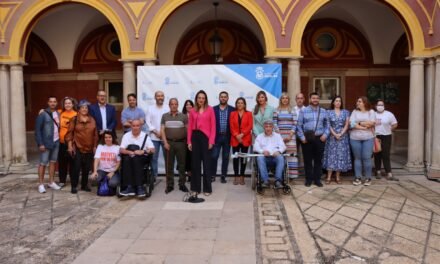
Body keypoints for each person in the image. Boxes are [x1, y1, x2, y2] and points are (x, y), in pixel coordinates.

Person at [187, 90, 216, 202]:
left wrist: (211, 141)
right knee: (195, 164)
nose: (201, 99)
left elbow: (213, 126)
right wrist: (189, 142)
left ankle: (207, 188)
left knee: (207, 164)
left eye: (203, 98)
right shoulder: (193, 111)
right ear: (196, 99)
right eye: (199, 97)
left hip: (206, 138)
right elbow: (189, 127)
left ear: (205, 99)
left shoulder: (210, 109)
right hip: (195, 137)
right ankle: (196, 188)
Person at [65, 100, 99, 194]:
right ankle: (74, 186)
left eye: (86, 108)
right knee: (76, 168)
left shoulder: (92, 119)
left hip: (89, 147)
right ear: (79, 109)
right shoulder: (74, 119)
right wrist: (69, 146)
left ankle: (84, 185)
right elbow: (69, 134)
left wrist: (95, 146)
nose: (84, 109)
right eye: (82, 107)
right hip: (77, 147)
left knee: (86, 168)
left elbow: (95, 134)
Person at [297, 92, 329, 187]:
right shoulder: (304, 111)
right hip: (307, 139)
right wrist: (302, 138)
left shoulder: (323, 111)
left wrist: (325, 135)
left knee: (318, 160)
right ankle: (308, 179)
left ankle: (317, 179)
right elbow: (299, 126)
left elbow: (327, 125)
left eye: (317, 98)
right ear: (310, 99)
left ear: (319, 100)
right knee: (307, 160)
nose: (315, 100)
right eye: (313, 98)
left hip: (320, 138)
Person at [119, 119, 155, 197]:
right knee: (127, 160)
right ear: (131, 126)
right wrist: (130, 152)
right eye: (134, 126)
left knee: (136, 159)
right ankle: (129, 187)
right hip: (129, 158)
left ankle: (139, 186)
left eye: (137, 126)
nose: (135, 128)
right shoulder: (126, 136)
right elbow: (121, 149)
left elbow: (153, 149)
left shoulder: (145, 136)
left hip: (142, 158)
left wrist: (143, 151)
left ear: (141, 127)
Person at [161, 98, 189, 194]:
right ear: (169, 105)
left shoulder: (184, 116)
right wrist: (165, 143)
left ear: (178, 105)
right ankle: (170, 185)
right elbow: (162, 130)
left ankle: (182, 184)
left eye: (175, 104)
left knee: (182, 165)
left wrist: (188, 142)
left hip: (181, 143)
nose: (174, 105)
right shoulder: (164, 116)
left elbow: (188, 130)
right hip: (169, 143)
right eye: (172, 104)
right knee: (169, 165)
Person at [34, 96, 62, 193]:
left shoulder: (58, 113)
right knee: (43, 163)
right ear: (48, 103)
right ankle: (41, 184)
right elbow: (37, 130)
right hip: (45, 143)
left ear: (57, 103)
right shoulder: (43, 114)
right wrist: (40, 143)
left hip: (56, 141)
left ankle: (51, 182)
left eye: (54, 101)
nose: (53, 103)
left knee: (53, 162)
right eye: (51, 101)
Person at [322, 96, 351, 184]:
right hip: (331, 137)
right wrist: (335, 134)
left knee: (340, 156)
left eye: (339, 101)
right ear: (333, 103)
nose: (338, 102)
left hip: (343, 137)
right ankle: (329, 176)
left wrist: (341, 134)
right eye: (336, 101)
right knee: (331, 156)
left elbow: (347, 124)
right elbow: (328, 125)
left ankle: (338, 177)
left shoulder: (346, 112)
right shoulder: (328, 112)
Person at [349, 96, 376, 186]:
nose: (358, 103)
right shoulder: (354, 112)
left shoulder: (371, 112)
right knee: (357, 158)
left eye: (359, 101)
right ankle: (358, 177)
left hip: (368, 138)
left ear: (365, 102)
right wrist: (363, 125)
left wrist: (358, 123)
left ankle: (368, 178)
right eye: (357, 101)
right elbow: (351, 123)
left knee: (367, 158)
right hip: (355, 138)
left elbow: (372, 123)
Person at [254, 120, 286, 188]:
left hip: (275, 157)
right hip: (265, 158)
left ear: (272, 127)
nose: (268, 128)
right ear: (264, 128)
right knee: (259, 158)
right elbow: (255, 147)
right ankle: (265, 181)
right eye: (266, 126)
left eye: (270, 126)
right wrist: (262, 151)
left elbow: (283, 146)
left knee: (280, 158)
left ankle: (278, 181)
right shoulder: (260, 136)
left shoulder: (278, 136)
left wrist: (279, 151)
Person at [273, 92, 299, 179]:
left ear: (288, 100)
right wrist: (280, 137)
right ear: (281, 100)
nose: (285, 100)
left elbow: (295, 123)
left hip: (290, 137)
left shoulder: (292, 110)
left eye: (286, 98)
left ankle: (291, 176)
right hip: (279, 137)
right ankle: (281, 175)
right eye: (283, 98)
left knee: (291, 156)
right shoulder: (276, 110)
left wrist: (290, 135)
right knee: (281, 156)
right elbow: (274, 123)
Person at [145, 90, 170, 181]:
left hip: (165, 138)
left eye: (162, 96)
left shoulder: (168, 108)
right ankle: (154, 176)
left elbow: (169, 121)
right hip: (154, 137)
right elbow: (148, 121)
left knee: (168, 158)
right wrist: (156, 132)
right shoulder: (150, 108)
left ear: (164, 97)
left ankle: (169, 176)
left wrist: (162, 133)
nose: (160, 97)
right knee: (154, 158)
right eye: (158, 96)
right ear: (155, 97)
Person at [211, 91, 235, 183]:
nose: (223, 98)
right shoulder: (213, 109)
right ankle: (213, 175)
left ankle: (223, 175)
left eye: (225, 97)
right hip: (216, 136)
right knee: (214, 156)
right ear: (219, 98)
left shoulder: (233, 109)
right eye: (222, 97)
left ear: (228, 98)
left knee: (225, 157)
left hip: (228, 136)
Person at [230, 97, 253, 185]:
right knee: (235, 159)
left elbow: (250, 126)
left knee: (243, 159)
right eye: (238, 103)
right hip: (235, 139)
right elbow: (231, 126)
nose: (240, 104)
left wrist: (242, 135)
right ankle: (236, 176)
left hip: (245, 139)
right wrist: (237, 136)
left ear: (244, 104)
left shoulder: (249, 113)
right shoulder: (232, 113)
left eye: (241, 103)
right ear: (236, 104)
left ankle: (242, 176)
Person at [374, 99, 399, 181]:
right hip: (376, 136)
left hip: (386, 136)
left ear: (384, 106)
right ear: (376, 106)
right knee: (377, 154)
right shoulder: (373, 114)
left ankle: (389, 172)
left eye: (381, 105)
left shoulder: (389, 114)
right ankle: (378, 171)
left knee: (386, 154)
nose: (380, 106)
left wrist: (389, 129)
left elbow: (395, 124)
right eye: (378, 105)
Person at [58, 97, 77, 188]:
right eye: (66, 103)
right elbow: (50, 112)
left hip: (72, 143)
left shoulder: (76, 114)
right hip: (61, 142)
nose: (68, 105)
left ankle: (73, 181)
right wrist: (42, 110)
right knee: (62, 163)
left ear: (73, 104)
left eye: (69, 103)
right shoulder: (60, 113)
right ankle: (62, 180)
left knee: (72, 163)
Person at [294, 92, 306, 176]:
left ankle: (306, 171)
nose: (300, 100)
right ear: (295, 100)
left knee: (306, 153)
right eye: (298, 98)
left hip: (304, 135)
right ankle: (294, 171)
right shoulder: (292, 109)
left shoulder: (307, 110)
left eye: (301, 98)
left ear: (304, 99)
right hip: (294, 134)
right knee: (295, 153)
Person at [182, 100, 194, 182]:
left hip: (194, 139)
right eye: (187, 105)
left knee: (193, 158)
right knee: (186, 159)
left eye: (190, 105)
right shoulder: (182, 116)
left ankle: (193, 175)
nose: (189, 106)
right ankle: (188, 174)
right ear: (185, 106)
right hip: (184, 140)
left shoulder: (196, 114)